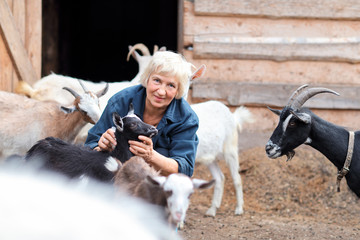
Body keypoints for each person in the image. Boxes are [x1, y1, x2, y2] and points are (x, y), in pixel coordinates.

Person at [85, 51, 205, 177]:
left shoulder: (186, 118)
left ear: (178, 90)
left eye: (171, 85)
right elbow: (90, 144)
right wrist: (101, 146)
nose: (161, 91)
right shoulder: (121, 102)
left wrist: (151, 156)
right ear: (147, 79)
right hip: (117, 180)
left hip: (158, 186)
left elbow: (184, 168)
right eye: (157, 80)